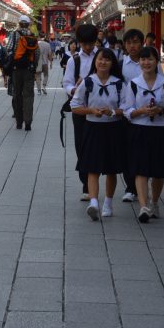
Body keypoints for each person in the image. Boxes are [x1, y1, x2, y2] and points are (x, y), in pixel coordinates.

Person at [121, 46, 164, 223]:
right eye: (143, 59)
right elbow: (127, 110)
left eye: (150, 59)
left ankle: (154, 202)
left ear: (157, 61)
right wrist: (141, 111)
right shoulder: (133, 84)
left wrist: (161, 110)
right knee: (141, 169)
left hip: (161, 131)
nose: (146, 63)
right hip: (139, 130)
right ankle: (143, 206)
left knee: (159, 172)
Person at [70, 48, 125, 220]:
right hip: (92, 128)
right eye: (100, 59)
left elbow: (127, 107)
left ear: (112, 63)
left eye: (107, 60)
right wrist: (91, 110)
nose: (103, 62)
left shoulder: (118, 83)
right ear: (95, 61)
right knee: (92, 168)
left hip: (113, 130)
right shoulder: (87, 82)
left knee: (111, 170)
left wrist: (113, 112)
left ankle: (108, 202)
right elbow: (74, 105)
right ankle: (94, 203)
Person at [120, 27, 164, 203]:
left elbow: (162, 83)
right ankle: (131, 187)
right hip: (128, 113)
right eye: (129, 43)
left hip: (151, 116)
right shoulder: (121, 63)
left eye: (136, 42)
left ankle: (148, 187)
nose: (133, 46)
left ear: (142, 42)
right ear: (125, 45)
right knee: (128, 151)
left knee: (149, 153)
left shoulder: (152, 62)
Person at [63, 23, 99, 201]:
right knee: (81, 146)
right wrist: (74, 89)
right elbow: (67, 83)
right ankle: (86, 183)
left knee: (97, 147)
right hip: (80, 109)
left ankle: (93, 182)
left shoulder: (102, 57)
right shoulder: (74, 60)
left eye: (91, 43)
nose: (88, 47)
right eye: (85, 43)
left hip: (99, 109)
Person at [5, 17, 37, 131]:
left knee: (17, 94)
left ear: (19, 23)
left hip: (16, 69)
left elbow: (8, 49)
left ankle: (19, 122)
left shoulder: (14, 34)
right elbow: (36, 53)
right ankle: (28, 122)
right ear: (28, 24)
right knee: (28, 96)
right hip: (29, 69)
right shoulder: (32, 36)